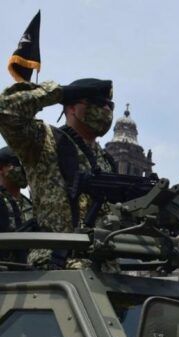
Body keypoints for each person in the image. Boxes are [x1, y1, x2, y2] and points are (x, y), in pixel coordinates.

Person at [0, 78, 116, 268]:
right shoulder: (44, 142)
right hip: (55, 262)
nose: (106, 110)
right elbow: (6, 109)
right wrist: (59, 92)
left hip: (104, 266)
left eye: (110, 105)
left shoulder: (106, 161)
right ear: (71, 107)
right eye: (97, 103)